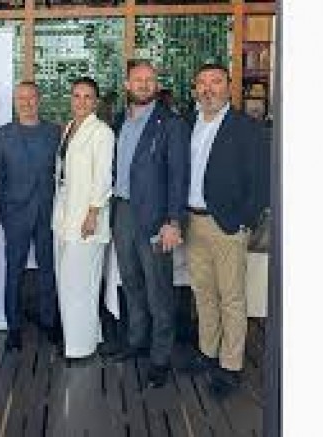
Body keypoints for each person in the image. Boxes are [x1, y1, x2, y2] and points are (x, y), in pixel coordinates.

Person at [181, 63, 268, 397]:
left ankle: (231, 365)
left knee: (231, 297)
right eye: (202, 83)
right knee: (203, 292)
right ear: (195, 89)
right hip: (193, 221)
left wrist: (244, 219)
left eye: (215, 82)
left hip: (227, 225)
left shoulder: (246, 127)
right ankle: (208, 352)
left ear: (228, 87)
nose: (208, 89)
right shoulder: (189, 124)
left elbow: (261, 180)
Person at [107, 60, 189, 388]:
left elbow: (179, 177)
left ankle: (160, 357)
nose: (143, 84)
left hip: (156, 218)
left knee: (159, 289)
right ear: (127, 84)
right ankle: (136, 340)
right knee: (131, 282)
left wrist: (173, 221)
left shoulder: (170, 123)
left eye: (149, 80)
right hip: (122, 212)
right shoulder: (118, 121)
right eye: (137, 79)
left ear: (156, 85)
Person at [0, 82, 62, 351]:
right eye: (21, 98)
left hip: (48, 211)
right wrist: (2, 211)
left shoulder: (56, 133)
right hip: (15, 213)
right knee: (14, 270)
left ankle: (49, 320)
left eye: (31, 98)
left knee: (48, 269)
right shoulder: (0, 136)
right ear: (15, 102)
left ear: (39, 100)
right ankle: (13, 327)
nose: (26, 103)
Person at [53, 77, 114, 361]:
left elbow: (103, 177)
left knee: (79, 284)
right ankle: (85, 336)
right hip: (64, 216)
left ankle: (79, 348)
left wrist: (93, 214)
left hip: (86, 218)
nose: (81, 102)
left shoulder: (102, 132)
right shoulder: (69, 128)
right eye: (76, 96)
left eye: (88, 97)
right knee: (69, 282)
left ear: (96, 102)